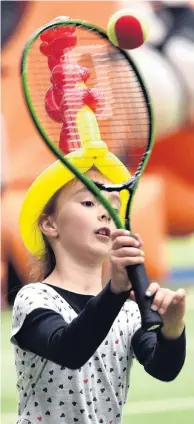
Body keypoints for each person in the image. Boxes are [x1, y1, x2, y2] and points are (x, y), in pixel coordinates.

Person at [10, 163, 186, 424]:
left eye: (113, 208)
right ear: (50, 224)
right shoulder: (34, 298)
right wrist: (115, 290)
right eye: (89, 203)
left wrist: (172, 328)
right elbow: (70, 349)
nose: (105, 213)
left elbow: (164, 368)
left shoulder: (126, 311)